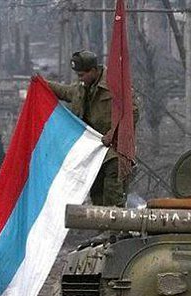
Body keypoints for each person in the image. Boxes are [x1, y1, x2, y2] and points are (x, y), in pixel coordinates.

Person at [42, 50, 139, 207]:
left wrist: (112, 134)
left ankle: (115, 220)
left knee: (113, 191)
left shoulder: (115, 84)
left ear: (93, 71)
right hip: (94, 150)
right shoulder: (82, 88)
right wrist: (43, 84)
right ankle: (102, 220)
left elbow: (132, 113)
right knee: (97, 192)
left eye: (82, 75)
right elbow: (66, 92)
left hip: (116, 148)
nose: (80, 79)